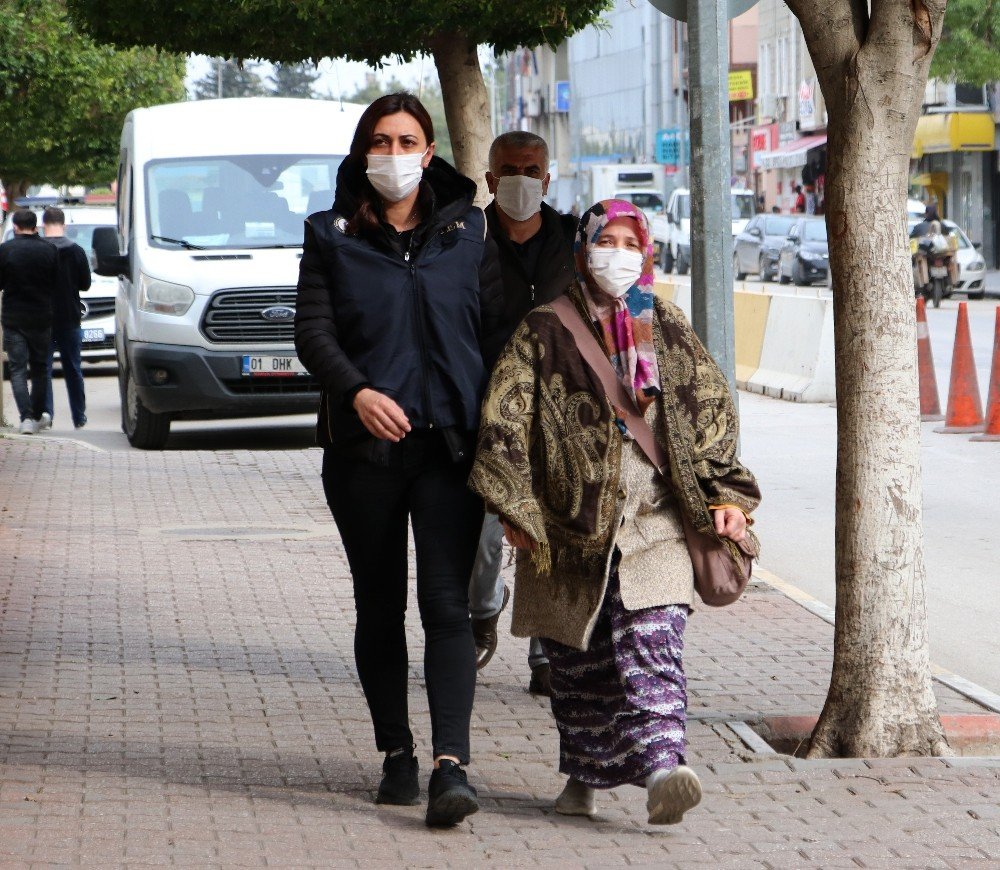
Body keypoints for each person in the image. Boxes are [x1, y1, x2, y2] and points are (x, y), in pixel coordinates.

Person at [469, 199, 760, 824]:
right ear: (584, 249)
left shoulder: (671, 329)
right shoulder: (543, 329)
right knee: (580, 668)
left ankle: (663, 767)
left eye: (633, 242)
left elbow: (711, 418)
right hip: (567, 529)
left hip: (656, 524)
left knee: (655, 644)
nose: (620, 254)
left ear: (647, 252)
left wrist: (727, 498)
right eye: (609, 240)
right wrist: (515, 507)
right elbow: (504, 419)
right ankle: (582, 777)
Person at [294, 93, 504, 828]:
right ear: (362, 153)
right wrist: (356, 394)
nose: (393, 155)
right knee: (379, 605)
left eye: (406, 140)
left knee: (446, 608)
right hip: (364, 455)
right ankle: (397, 756)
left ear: (429, 149)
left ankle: (452, 766)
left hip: (449, 451)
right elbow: (313, 335)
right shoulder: (330, 234)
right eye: (379, 142)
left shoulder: (469, 232)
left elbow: (499, 334)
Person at [469, 131, 577, 696]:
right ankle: (481, 615)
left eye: (531, 170)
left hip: (559, 413)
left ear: (547, 178)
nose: (521, 180)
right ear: (490, 179)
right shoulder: (467, 240)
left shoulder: (573, 240)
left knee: (549, 529)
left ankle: (543, 648)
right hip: (487, 410)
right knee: (486, 530)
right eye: (509, 170)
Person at [0, 209, 58, 434]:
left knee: (17, 369)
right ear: (36, 226)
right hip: (42, 316)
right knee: (40, 368)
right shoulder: (49, 250)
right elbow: (54, 282)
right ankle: (35, 416)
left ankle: (25, 418)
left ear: (15, 227)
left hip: (14, 317)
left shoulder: (5, 251)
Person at [41, 207, 92, 430]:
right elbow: (86, 284)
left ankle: (46, 415)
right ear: (64, 225)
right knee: (73, 368)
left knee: (43, 369)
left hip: (42, 319)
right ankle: (79, 417)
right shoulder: (77, 251)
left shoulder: (37, 250)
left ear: (43, 225)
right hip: (70, 317)